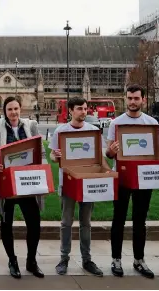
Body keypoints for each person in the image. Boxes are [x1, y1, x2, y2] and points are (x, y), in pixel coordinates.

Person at [0, 96, 45, 279]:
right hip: (7, 183)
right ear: (5, 111)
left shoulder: (31, 126)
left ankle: (31, 261)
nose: (13, 112)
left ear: (21, 109)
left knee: (34, 224)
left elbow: (40, 152)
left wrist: (40, 166)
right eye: (10, 109)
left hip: (27, 183)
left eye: (16, 109)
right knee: (6, 224)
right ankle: (12, 260)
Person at [105, 84, 159, 279]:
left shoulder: (151, 122)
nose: (132, 102)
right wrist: (112, 151)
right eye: (129, 98)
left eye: (136, 98)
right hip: (121, 177)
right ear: (126, 99)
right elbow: (108, 153)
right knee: (118, 219)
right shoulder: (115, 123)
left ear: (143, 99)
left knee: (140, 220)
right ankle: (116, 259)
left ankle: (139, 260)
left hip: (143, 178)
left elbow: (156, 154)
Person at [49, 97, 104, 277]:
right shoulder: (60, 131)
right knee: (66, 223)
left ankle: (86, 259)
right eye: (80, 108)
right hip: (68, 183)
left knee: (86, 223)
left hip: (87, 182)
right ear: (71, 110)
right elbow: (52, 155)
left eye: (86, 108)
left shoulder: (93, 131)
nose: (83, 112)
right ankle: (64, 259)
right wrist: (55, 155)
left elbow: (99, 158)